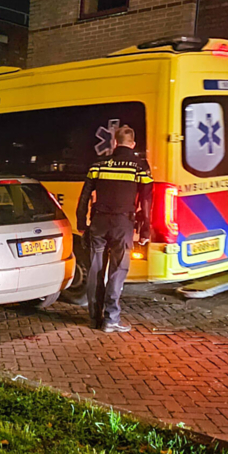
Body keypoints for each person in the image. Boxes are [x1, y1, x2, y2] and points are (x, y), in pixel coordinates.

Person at [76, 125, 153, 332]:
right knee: (118, 270)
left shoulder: (99, 164)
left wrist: (82, 223)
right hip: (122, 225)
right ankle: (111, 319)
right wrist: (145, 230)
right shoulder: (140, 166)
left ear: (115, 143)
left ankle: (94, 318)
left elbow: (85, 195)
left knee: (95, 269)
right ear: (133, 144)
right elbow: (146, 200)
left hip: (99, 223)